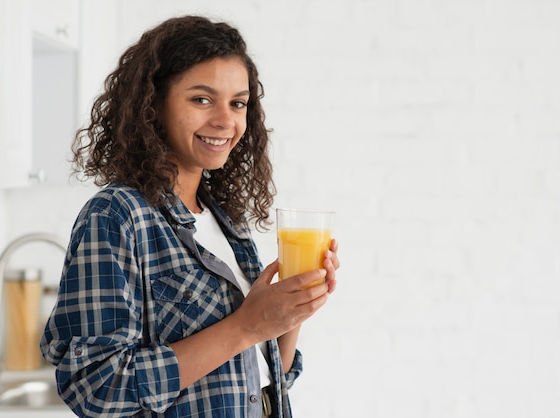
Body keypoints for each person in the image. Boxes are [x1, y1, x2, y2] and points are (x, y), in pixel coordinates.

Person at [40, 15, 339, 418]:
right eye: (201, 99)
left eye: (237, 103)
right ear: (153, 104)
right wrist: (247, 325)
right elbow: (97, 387)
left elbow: (269, 381)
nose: (225, 121)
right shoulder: (117, 216)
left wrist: (290, 312)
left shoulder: (223, 218)